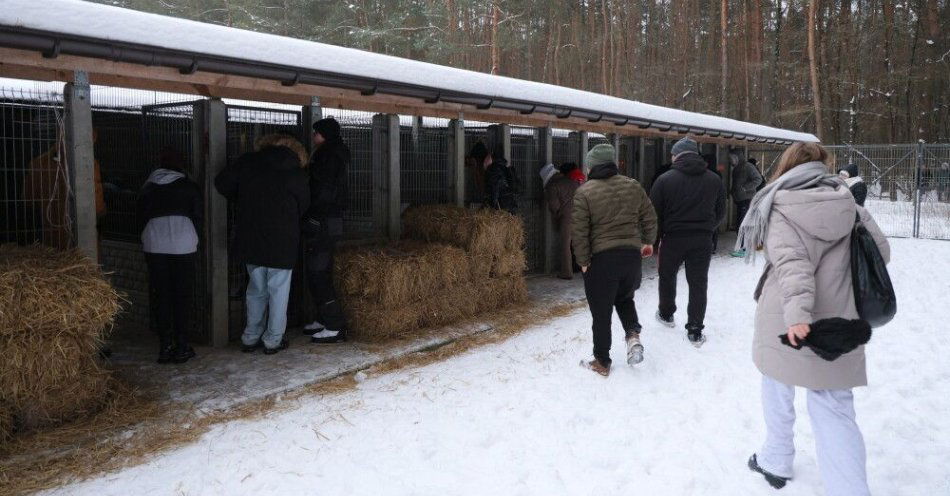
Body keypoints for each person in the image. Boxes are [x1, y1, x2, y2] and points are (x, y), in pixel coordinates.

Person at [736, 142, 889, 495]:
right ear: (822, 167)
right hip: (840, 321)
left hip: (787, 317)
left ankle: (775, 459)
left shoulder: (781, 205)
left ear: (786, 167)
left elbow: (792, 266)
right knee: (834, 407)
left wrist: (798, 316)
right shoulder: (849, 204)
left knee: (776, 383)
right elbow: (881, 253)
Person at [215, 134, 310, 355]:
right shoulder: (296, 172)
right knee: (278, 291)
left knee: (255, 290)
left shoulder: (248, 162)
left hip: (251, 236)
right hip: (283, 241)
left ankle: (250, 337)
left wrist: (243, 199)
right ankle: (273, 340)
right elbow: (304, 205)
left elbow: (221, 183)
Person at [573, 144, 657, 376]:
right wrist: (648, 242)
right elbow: (649, 216)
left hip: (602, 260)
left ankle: (601, 361)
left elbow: (579, 232)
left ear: (592, 165)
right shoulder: (633, 186)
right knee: (625, 298)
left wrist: (582, 260)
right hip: (631, 257)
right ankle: (632, 337)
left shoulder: (585, 192)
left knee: (601, 312)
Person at [649, 137, 725, 347]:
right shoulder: (714, 179)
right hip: (702, 239)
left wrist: (656, 240)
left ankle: (666, 313)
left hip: (673, 238)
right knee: (698, 283)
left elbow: (654, 214)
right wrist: (707, 228)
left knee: (667, 276)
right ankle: (695, 329)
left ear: (677, 155)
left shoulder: (664, 180)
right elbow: (720, 213)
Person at [137, 148, 201, 364]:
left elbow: (139, 216)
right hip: (184, 243)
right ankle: (182, 345)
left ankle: (165, 346)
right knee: (182, 295)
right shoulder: (189, 186)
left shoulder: (147, 187)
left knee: (161, 295)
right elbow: (198, 215)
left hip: (154, 243)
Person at [301, 117, 350, 344]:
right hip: (332, 219)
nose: (313, 136)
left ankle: (334, 325)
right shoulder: (336, 153)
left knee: (317, 271)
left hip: (324, 220)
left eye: (316, 133)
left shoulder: (327, 156)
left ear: (325, 134)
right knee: (321, 269)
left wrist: (314, 215)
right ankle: (323, 319)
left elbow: (323, 190)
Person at [540, 163, 579, 279]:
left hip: (567, 218)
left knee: (565, 245)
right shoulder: (571, 181)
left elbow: (554, 206)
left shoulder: (552, 186)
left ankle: (566, 273)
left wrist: (557, 216)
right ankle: (581, 267)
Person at [474, 143, 518, 214]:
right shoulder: (500, 165)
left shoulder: (494, 169)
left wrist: (492, 208)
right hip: (508, 204)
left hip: (504, 207)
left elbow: (495, 190)